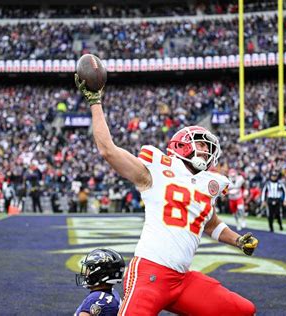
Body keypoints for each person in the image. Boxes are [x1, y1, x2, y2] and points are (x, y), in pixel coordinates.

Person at [75, 74, 258, 315]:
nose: (206, 151)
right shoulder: (156, 171)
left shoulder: (205, 185)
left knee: (243, 310)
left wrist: (237, 240)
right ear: (181, 145)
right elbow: (108, 150)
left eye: (208, 148)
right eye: (201, 144)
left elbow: (209, 222)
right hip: (149, 273)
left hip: (182, 280)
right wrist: (95, 101)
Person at [75, 248, 125, 316]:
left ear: (99, 273)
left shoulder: (96, 298)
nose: (86, 273)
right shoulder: (114, 294)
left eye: (89, 268)